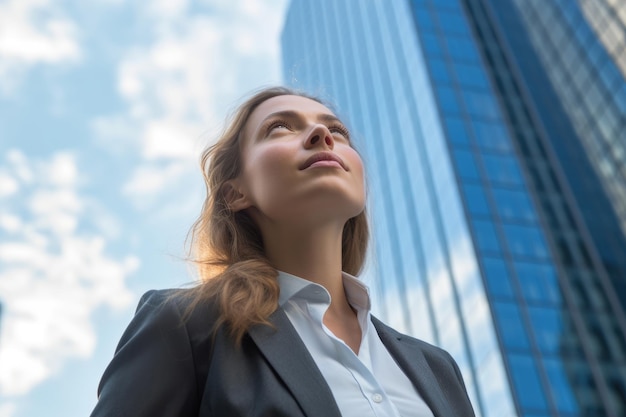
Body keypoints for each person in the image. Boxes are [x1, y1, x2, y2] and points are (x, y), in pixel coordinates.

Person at [90, 87, 475, 417]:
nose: (322, 133)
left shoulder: (436, 367)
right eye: (280, 127)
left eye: (338, 130)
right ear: (236, 192)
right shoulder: (186, 325)